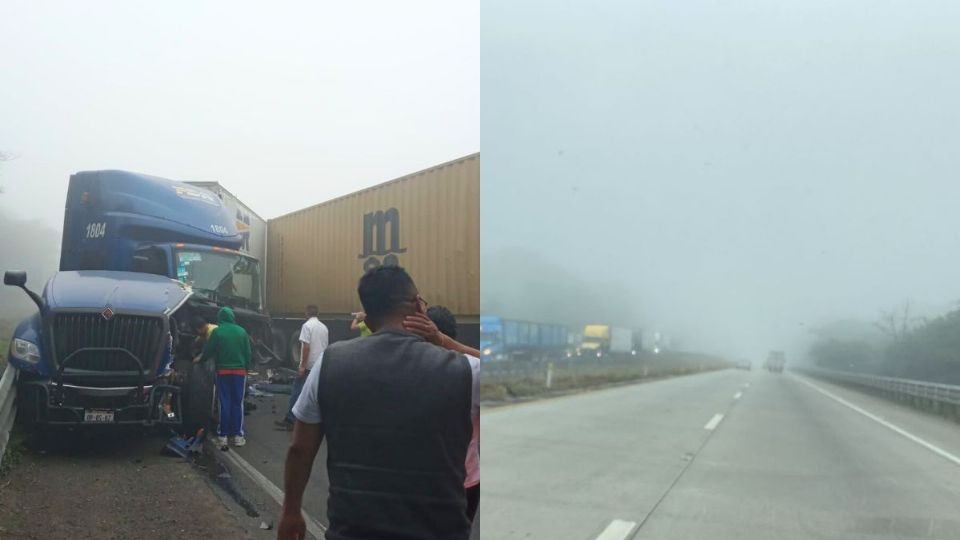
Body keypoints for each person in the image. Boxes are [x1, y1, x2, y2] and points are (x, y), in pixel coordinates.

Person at [278, 266, 477, 540]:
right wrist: (443, 340)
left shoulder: (330, 363)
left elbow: (300, 449)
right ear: (418, 306)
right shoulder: (465, 372)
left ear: (368, 321)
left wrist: (291, 511)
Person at [424, 305, 480, 524]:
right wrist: (448, 343)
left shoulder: (408, 371)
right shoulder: (471, 372)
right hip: (465, 480)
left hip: (422, 482)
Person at [196, 307, 251, 449]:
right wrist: (247, 369)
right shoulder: (242, 331)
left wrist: (199, 360)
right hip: (239, 372)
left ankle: (223, 436)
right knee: (237, 403)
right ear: (232, 317)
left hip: (223, 372)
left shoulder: (217, 332)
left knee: (224, 403)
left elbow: (208, 351)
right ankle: (238, 436)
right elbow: (248, 353)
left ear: (220, 317)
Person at [275, 305, 329, 431]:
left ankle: (291, 419)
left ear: (306, 313)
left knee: (297, 389)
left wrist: (302, 366)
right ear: (318, 313)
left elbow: (306, 347)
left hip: (309, 365)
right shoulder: (324, 327)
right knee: (316, 392)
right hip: (320, 364)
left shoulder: (307, 326)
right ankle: (317, 420)